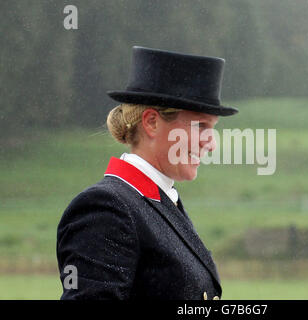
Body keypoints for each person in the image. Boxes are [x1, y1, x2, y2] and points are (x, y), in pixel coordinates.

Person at [56, 46, 238, 300]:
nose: (211, 143)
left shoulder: (158, 201)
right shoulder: (106, 209)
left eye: (212, 128)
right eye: (200, 126)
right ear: (152, 122)